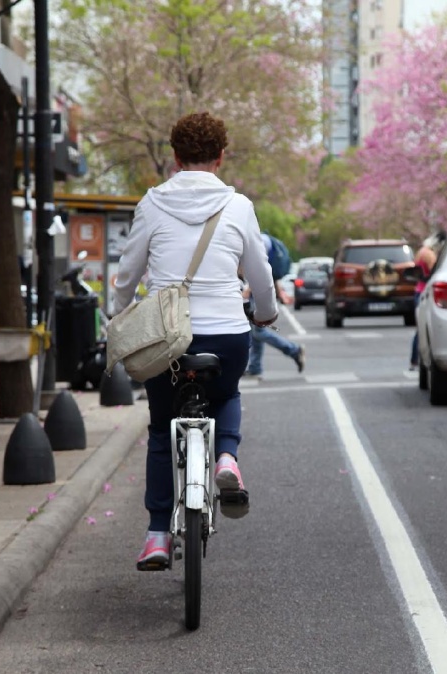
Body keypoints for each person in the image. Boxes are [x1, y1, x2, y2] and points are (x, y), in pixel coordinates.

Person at [112, 112, 278, 570]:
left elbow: (127, 274)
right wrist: (266, 313)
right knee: (227, 392)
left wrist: (118, 310)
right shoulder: (238, 206)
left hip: (166, 336)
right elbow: (260, 273)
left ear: (175, 157)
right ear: (221, 156)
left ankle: (156, 536)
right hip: (226, 331)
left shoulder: (152, 202)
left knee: (163, 425)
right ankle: (226, 456)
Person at [242, 244, 306, 379]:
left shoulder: (256, 240)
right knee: (256, 331)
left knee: (258, 331)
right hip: (259, 290)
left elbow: (261, 269)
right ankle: (255, 367)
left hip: (256, 292)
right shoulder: (260, 239)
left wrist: (248, 289)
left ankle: (294, 350)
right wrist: (280, 290)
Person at [409, 230, 447, 370]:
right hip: (425, 291)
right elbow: (434, 273)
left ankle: (414, 360)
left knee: (420, 328)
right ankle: (417, 360)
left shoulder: (421, 251)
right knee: (424, 329)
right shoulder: (429, 255)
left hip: (418, 290)